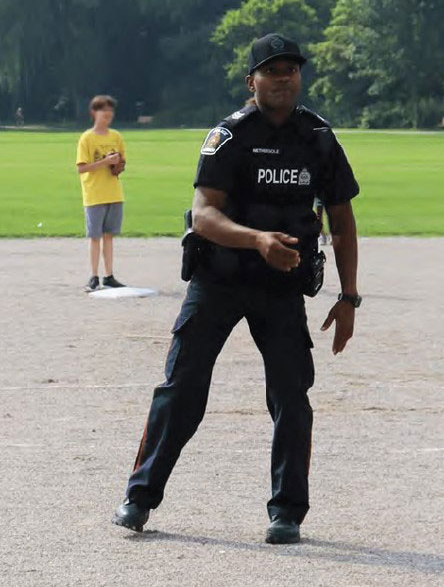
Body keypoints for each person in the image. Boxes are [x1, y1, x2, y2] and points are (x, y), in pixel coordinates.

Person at [111, 33, 362, 545]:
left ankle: (287, 512)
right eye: (272, 71)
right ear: (251, 81)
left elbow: (342, 218)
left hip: (281, 288)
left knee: (292, 396)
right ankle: (139, 497)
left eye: (291, 69)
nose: (283, 78)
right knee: (181, 391)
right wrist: (257, 241)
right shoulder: (230, 135)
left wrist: (350, 295)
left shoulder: (319, 138)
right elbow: (203, 215)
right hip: (219, 280)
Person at [76, 94, 128, 291]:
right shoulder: (87, 138)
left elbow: (121, 164)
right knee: (95, 237)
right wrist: (104, 162)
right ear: (94, 113)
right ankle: (93, 276)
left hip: (114, 193)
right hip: (94, 194)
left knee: (109, 236)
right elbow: (81, 168)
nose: (108, 117)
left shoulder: (116, 136)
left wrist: (117, 164)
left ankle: (109, 275)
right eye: (104, 113)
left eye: (110, 114)